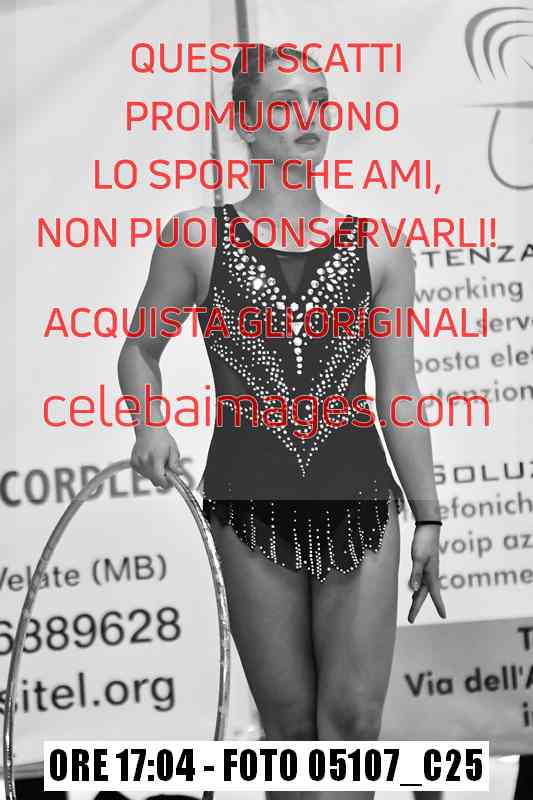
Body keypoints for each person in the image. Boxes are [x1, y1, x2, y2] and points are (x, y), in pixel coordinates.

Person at [118, 44, 446, 800]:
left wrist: (427, 514)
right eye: (285, 101)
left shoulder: (381, 248)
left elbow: (399, 391)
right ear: (244, 122)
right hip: (249, 502)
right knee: (291, 732)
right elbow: (138, 351)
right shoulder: (197, 239)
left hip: (361, 499)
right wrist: (149, 425)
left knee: (354, 722)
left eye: (319, 99)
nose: (309, 117)